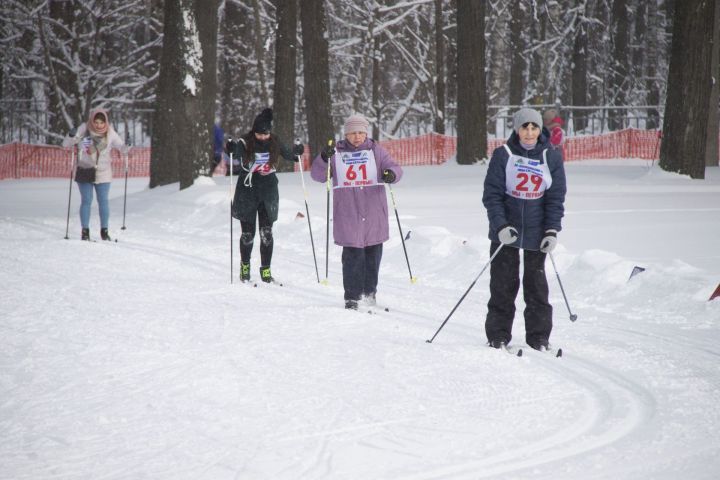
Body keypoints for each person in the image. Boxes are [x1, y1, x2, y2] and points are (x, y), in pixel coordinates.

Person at [482, 107, 567, 351]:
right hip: (506, 232)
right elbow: (492, 195)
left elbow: (555, 197)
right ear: (516, 129)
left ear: (541, 130)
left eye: (534, 127)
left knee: (537, 288)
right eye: (524, 127)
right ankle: (498, 335)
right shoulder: (503, 154)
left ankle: (538, 337)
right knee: (502, 286)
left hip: (536, 231)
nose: (529, 133)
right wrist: (500, 225)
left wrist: (551, 229)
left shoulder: (551, 157)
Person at [310, 113, 403, 310]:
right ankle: (352, 296)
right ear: (346, 134)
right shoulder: (336, 152)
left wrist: (391, 174)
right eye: (353, 133)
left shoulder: (376, 150)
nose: (357, 137)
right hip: (348, 212)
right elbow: (318, 175)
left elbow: (394, 167)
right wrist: (324, 158)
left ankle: (369, 293)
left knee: (372, 256)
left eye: (361, 132)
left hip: (373, 213)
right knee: (352, 256)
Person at [227, 108, 304, 283]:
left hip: (268, 192)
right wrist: (230, 148)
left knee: (266, 233)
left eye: (266, 134)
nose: (263, 137)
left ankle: (266, 270)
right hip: (247, 191)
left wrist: (298, 151)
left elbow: (290, 154)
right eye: (259, 134)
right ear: (253, 132)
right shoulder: (245, 142)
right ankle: (245, 267)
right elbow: (235, 153)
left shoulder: (274, 141)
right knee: (248, 234)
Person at [63, 108, 126, 241]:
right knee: (86, 201)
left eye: (101, 122)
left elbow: (122, 147)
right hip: (86, 170)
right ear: (92, 120)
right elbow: (66, 144)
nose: (98, 125)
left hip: (103, 172)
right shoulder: (85, 129)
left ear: (105, 122)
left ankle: (104, 231)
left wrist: (128, 146)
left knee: (103, 202)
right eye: (96, 122)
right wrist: (71, 135)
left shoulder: (110, 133)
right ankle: (85, 231)